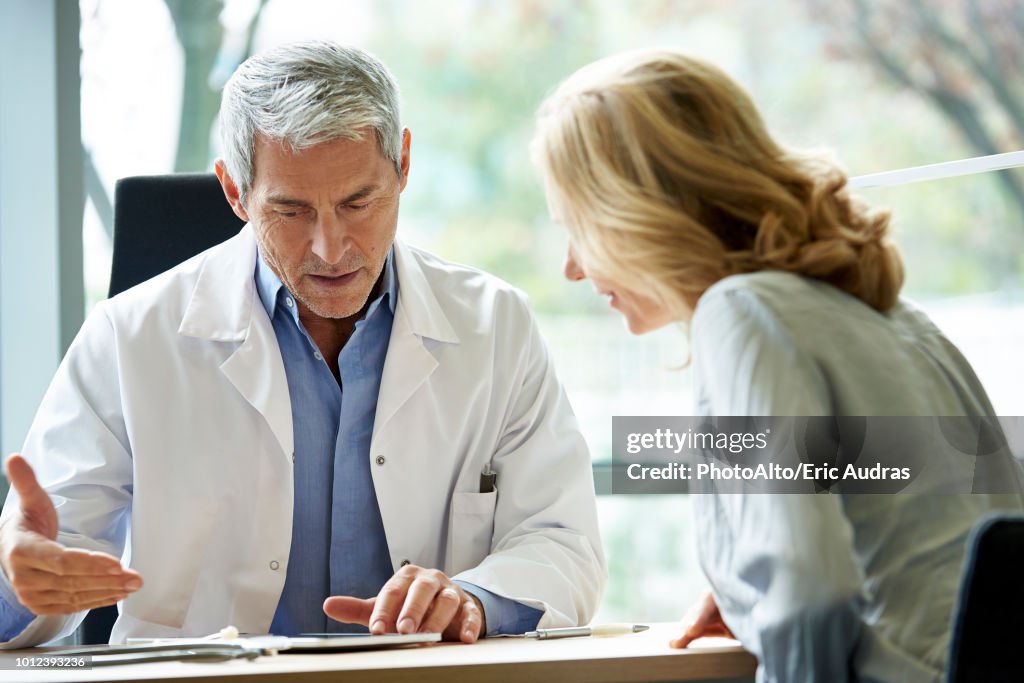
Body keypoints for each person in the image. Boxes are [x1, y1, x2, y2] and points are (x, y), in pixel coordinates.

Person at [0, 41, 605, 648]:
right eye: (291, 210)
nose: (331, 247)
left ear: (403, 165)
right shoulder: (127, 338)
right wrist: (15, 581)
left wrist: (473, 598)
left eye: (358, 202)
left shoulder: (495, 324)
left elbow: (562, 542)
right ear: (235, 192)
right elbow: (51, 565)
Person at [531, 48, 1024, 681]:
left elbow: (812, 583)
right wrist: (754, 596)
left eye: (576, 226)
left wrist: (781, 597)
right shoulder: (896, 317)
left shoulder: (740, 313)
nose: (572, 266)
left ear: (634, 210)